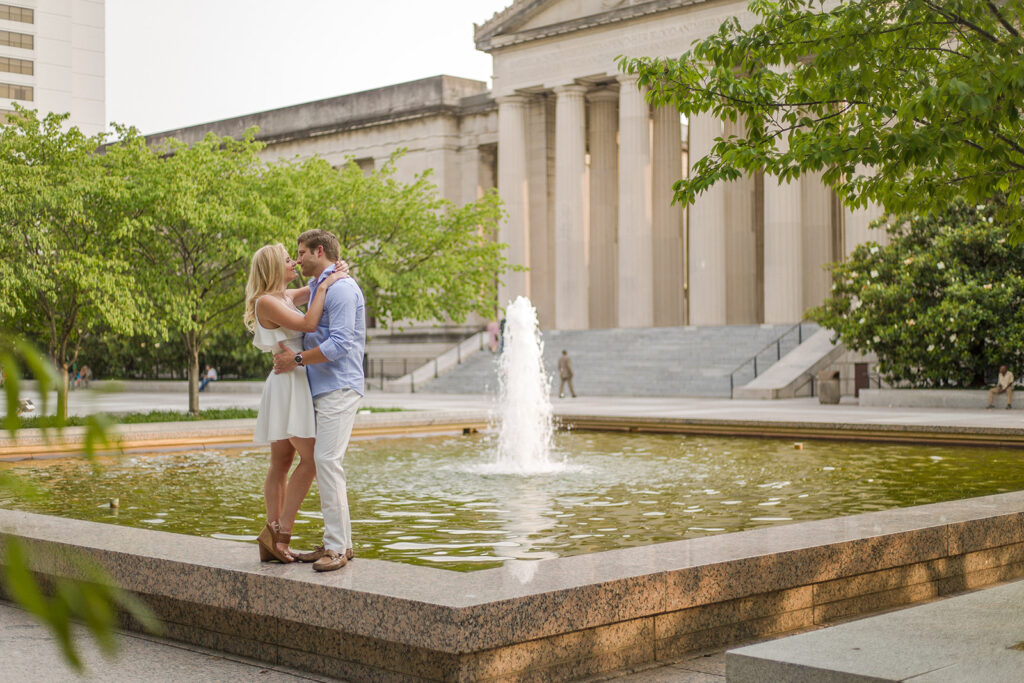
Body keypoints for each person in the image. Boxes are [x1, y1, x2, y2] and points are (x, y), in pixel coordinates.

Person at [244, 243, 349, 564]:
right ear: (274, 268)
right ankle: (281, 534)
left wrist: (332, 272)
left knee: (282, 461)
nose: (294, 262)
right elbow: (308, 325)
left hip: (290, 380)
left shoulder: (284, 297)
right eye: (288, 259)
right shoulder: (267, 302)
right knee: (312, 459)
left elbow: (313, 286)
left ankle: (271, 535)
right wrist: (328, 284)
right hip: (288, 383)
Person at [273, 229, 366, 573]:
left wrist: (296, 361)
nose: (297, 260)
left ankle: (337, 548)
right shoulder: (318, 286)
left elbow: (340, 345)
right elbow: (277, 296)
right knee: (326, 462)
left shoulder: (341, 289)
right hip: (323, 389)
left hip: (340, 387)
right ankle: (338, 544)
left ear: (319, 251)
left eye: (301, 253)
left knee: (326, 461)